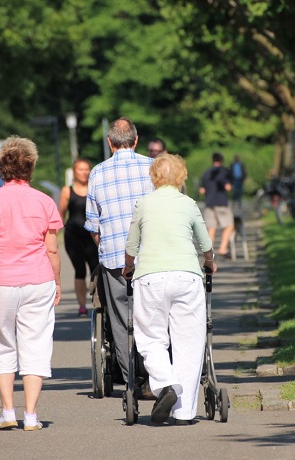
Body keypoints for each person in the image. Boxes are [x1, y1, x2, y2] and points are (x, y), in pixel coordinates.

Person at [0, 135, 62, 431]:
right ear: (31, 166)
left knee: (4, 346)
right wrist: (57, 282)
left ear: (1, 167)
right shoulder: (44, 201)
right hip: (38, 280)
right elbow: (52, 249)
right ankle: (31, 416)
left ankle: (8, 412)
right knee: (36, 345)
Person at [123, 153, 217, 425]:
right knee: (189, 343)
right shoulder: (188, 203)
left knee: (150, 337)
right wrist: (209, 262)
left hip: (150, 277)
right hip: (187, 277)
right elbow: (204, 243)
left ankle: (166, 384)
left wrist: (128, 266)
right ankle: (185, 413)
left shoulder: (143, 203)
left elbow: (132, 246)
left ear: (154, 177)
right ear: (182, 177)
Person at [85, 117, 155, 384]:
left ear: (110, 143)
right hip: (151, 259)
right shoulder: (153, 169)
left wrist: (105, 246)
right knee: (153, 317)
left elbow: (93, 224)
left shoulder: (98, 173)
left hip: (114, 258)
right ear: (136, 141)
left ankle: (130, 381)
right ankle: (152, 375)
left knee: (119, 319)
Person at [58, 158, 99, 316]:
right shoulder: (67, 190)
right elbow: (60, 215)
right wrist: (54, 237)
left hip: (91, 235)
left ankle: (98, 302)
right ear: (74, 171)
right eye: (80, 169)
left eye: (86, 169)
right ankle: (82, 305)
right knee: (80, 270)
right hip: (73, 235)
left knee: (96, 268)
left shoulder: (94, 189)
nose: (84, 172)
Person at [199, 152, 234, 259]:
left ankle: (209, 252)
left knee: (211, 228)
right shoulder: (223, 172)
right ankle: (223, 249)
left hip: (209, 203)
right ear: (222, 161)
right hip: (221, 202)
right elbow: (228, 187)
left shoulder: (206, 173)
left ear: (213, 161)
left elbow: (202, 190)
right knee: (229, 225)